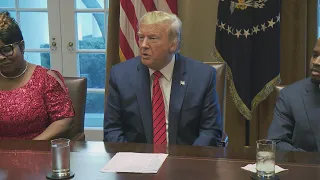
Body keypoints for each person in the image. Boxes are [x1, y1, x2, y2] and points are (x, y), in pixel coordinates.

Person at [104, 11, 222, 146]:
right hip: (136, 160)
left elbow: (210, 131)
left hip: (185, 159)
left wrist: (187, 161)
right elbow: (112, 130)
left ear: (173, 45)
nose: (143, 45)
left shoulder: (202, 76)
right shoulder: (120, 75)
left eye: (153, 38)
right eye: (141, 37)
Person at [0, 11, 75, 140]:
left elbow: (64, 120)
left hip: (36, 152)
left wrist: (31, 146)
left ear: (22, 46)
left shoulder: (45, 79)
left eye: (6, 50)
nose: (1, 57)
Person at [267, 38, 320, 152]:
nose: (316, 62)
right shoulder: (290, 96)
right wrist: (311, 160)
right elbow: (276, 142)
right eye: (315, 55)